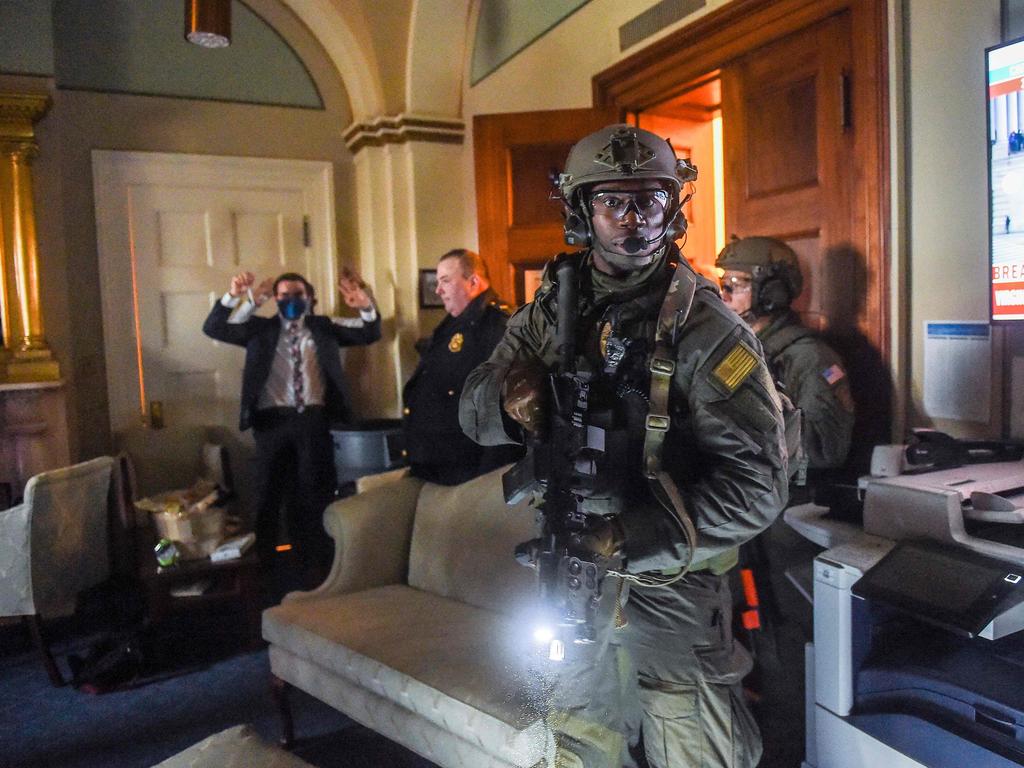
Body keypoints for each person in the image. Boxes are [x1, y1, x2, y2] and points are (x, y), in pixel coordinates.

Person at [460, 124, 788, 768]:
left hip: (673, 587)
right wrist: (507, 395)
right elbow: (471, 411)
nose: (634, 219)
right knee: (576, 745)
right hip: (573, 581)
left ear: (674, 206)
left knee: (695, 752)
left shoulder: (708, 332)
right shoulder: (552, 308)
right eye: (614, 201)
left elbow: (757, 492)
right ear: (583, 210)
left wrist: (627, 536)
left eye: (651, 200)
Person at [202, 268, 380, 583]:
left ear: (310, 297)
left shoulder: (324, 326)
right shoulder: (259, 329)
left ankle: (315, 568)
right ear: (275, 299)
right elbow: (215, 327)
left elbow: (369, 331)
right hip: (272, 424)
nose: (291, 300)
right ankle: (266, 570)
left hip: (313, 422)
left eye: (298, 294)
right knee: (268, 495)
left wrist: (363, 302)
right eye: (283, 295)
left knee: (314, 494)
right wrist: (240, 297)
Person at [716, 236, 855, 486]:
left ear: (771, 291)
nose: (723, 295)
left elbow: (827, 448)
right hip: (741, 492)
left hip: (789, 505)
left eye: (735, 284)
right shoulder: (738, 348)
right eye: (723, 283)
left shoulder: (811, 357)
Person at [402, 249, 521, 485]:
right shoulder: (454, 324)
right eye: (437, 282)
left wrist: (487, 480)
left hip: (470, 472)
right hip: (439, 466)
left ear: (473, 281)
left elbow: (502, 407)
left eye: (445, 281)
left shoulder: (499, 326)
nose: (438, 291)